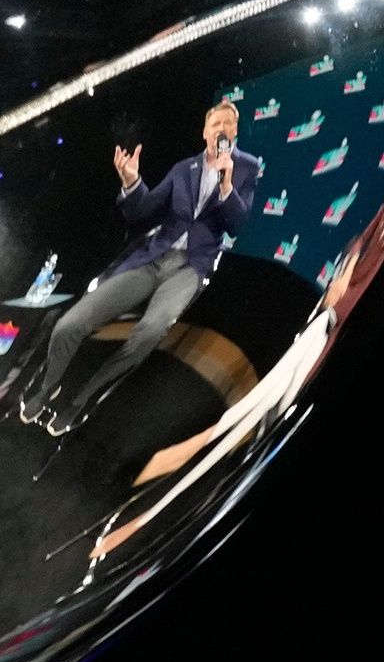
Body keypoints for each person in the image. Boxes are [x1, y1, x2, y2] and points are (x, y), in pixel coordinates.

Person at [20, 97, 258, 435]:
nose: (222, 130)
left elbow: (237, 224)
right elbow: (142, 212)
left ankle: (81, 399)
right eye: (216, 124)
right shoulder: (182, 169)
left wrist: (226, 184)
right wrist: (132, 183)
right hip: (153, 257)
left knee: (148, 332)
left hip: (192, 267)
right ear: (205, 132)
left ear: (235, 132)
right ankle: (47, 387)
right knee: (69, 324)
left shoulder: (247, 167)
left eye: (229, 125)